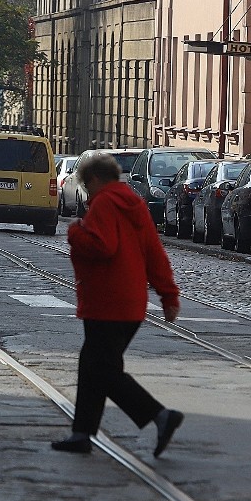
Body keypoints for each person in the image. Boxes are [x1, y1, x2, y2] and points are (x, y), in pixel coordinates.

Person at [51, 152, 183, 456]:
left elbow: (102, 245)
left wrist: (75, 232)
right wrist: (168, 296)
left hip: (107, 302)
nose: (86, 192)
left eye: (86, 184)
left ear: (96, 179)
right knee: (95, 367)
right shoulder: (134, 204)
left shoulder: (105, 203)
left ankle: (160, 416)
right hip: (130, 304)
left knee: (101, 371)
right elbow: (155, 255)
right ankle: (82, 433)